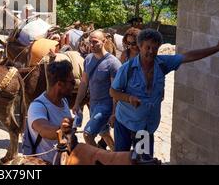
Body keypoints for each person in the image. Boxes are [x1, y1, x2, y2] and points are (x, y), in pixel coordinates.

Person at [110, 28, 219, 157]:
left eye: (155, 48)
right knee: (121, 159)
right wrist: (129, 98)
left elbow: (188, 56)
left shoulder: (163, 63)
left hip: (145, 127)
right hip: (125, 124)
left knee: (144, 161)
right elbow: (113, 91)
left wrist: (216, 48)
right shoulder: (126, 69)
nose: (151, 51)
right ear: (140, 46)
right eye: (148, 47)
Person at [72, 30, 122, 151]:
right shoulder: (88, 59)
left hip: (106, 106)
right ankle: (118, 157)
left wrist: (114, 113)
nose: (92, 45)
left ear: (104, 41)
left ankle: (100, 160)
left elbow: (116, 90)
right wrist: (77, 103)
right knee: (105, 134)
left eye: (95, 42)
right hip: (93, 104)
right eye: (90, 42)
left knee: (87, 134)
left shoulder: (113, 63)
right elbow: (83, 83)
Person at [25, 60, 75, 164]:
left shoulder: (64, 101)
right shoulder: (37, 106)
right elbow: (43, 129)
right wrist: (61, 129)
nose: (74, 85)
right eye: (72, 82)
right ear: (60, 84)